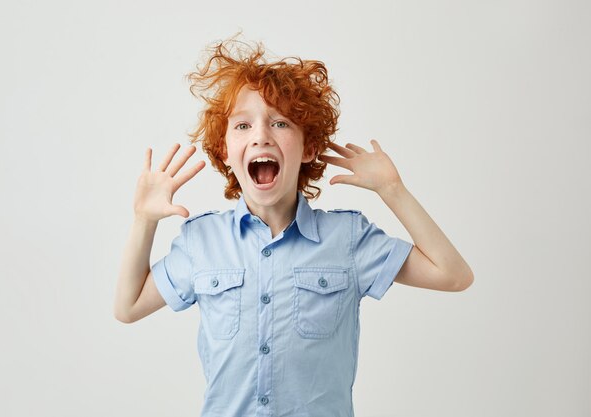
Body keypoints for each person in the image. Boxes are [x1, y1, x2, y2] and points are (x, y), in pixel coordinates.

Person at [114, 37, 473, 417]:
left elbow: (453, 275)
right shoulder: (201, 241)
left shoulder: (347, 240)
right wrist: (144, 221)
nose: (260, 135)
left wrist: (392, 190)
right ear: (224, 150)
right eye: (242, 125)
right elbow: (128, 306)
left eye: (280, 122)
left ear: (308, 148)